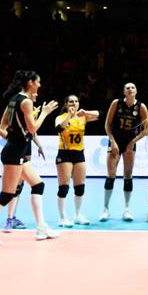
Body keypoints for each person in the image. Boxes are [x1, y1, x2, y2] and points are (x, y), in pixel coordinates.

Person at [0, 70, 60, 244]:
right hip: (14, 153)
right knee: (6, 195)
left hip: (16, 150)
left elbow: (3, 127)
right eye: (38, 81)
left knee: (38, 185)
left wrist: (16, 139)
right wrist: (45, 112)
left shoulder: (13, 100)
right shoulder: (26, 102)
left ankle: (41, 227)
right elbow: (33, 128)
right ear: (31, 83)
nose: (40, 85)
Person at [101, 82, 148, 221]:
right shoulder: (116, 103)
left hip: (130, 143)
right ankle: (105, 209)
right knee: (111, 174)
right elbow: (107, 125)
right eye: (127, 88)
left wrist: (133, 142)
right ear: (124, 92)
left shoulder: (141, 107)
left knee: (128, 175)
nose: (130, 89)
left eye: (132, 87)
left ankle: (126, 210)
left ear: (136, 91)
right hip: (115, 141)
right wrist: (112, 141)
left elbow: (147, 128)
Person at [54, 95, 99, 227]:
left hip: (79, 154)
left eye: (76, 101)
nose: (73, 103)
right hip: (65, 154)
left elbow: (100, 115)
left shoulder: (82, 117)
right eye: (70, 102)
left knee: (80, 187)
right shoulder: (61, 117)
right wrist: (69, 115)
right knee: (64, 187)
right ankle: (62, 218)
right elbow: (59, 128)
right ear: (66, 104)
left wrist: (85, 112)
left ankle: (78, 215)